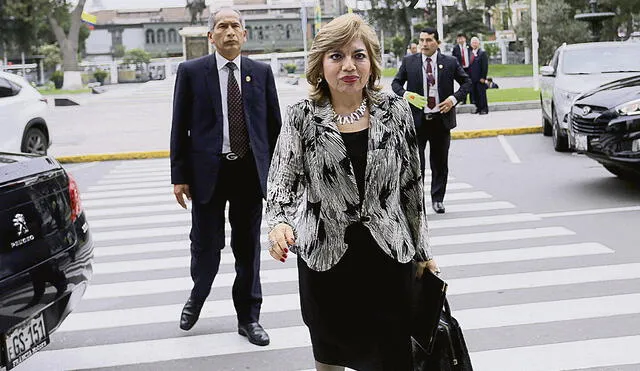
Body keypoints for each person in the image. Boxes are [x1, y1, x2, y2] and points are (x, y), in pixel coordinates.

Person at [266, 13, 439, 371]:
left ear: (372, 63)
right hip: (327, 265)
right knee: (331, 361)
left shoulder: (396, 111)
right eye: (337, 56)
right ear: (321, 64)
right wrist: (279, 225)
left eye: (359, 55)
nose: (349, 65)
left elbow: (411, 189)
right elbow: (281, 182)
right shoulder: (302, 116)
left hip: (389, 260)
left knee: (393, 358)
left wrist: (424, 254)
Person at [170, 7, 282, 346]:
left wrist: (278, 175)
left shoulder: (260, 72)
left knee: (247, 248)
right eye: (222, 26)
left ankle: (249, 318)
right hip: (207, 173)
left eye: (235, 26)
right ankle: (198, 294)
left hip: (249, 172)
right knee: (206, 246)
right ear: (211, 36)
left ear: (244, 35)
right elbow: (180, 127)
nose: (230, 31)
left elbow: (274, 128)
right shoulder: (191, 72)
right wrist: (179, 175)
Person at [391, 27, 471, 214]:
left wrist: (453, 99)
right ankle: (418, 201)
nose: (424, 44)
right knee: (416, 164)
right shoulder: (409, 61)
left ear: (437, 43)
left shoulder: (450, 62)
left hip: (440, 121)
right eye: (421, 40)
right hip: (417, 121)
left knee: (440, 162)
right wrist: (406, 95)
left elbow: (466, 83)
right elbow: (396, 84)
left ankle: (438, 199)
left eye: (428, 40)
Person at [469, 36, 489, 114]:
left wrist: (483, 77)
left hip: (480, 78)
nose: (474, 44)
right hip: (472, 78)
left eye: (475, 42)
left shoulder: (482, 53)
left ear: (478, 43)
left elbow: (485, 66)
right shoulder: (471, 53)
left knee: (481, 94)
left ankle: (484, 109)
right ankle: (478, 108)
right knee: (475, 94)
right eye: (473, 42)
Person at [451, 33, 472, 103]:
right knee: (463, 84)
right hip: (461, 69)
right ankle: (464, 100)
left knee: (471, 84)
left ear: (465, 39)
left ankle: (473, 100)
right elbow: (454, 59)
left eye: (462, 38)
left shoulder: (469, 47)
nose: (460, 40)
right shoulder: (455, 48)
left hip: (469, 68)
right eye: (459, 39)